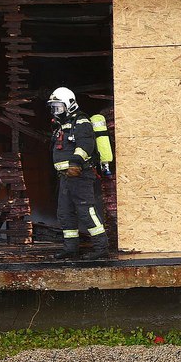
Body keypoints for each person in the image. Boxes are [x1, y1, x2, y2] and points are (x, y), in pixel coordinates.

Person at [48, 87, 110, 261]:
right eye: (53, 107)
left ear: (70, 104)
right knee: (65, 213)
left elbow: (85, 145)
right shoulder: (60, 126)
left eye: (58, 107)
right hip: (65, 177)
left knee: (86, 211)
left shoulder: (81, 122)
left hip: (80, 175)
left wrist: (75, 163)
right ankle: (71, 248)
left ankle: (101, 247)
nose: (56, 111)